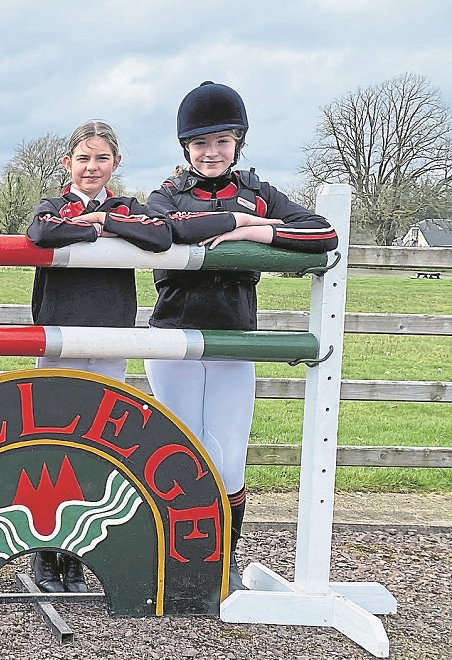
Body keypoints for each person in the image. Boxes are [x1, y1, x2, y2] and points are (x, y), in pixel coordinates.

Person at [143, 81, 338, 596]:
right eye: (200, 143)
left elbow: (322, 233)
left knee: (229, 456)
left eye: (222, 141)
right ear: (185, 147)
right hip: (174, 340)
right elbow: (165, 229)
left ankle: (222, 560)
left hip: (235, 341)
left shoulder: (259, 193)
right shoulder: (166, 193)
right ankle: (174, 554)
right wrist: (235, 219)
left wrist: (254, 230)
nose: (211, 152)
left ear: (239, 143)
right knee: (183, 451)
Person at [24, 120, 172, 594]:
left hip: (111, 340)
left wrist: (104, 221)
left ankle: (81, 551)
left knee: (100, 442)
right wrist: (87, 228)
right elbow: (41, 232)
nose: (92, 167)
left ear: (116, 164)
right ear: (67, 163)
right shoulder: (53, 205)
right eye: (83, 158)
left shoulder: (126, 208)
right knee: (54, 442)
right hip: (60, 337)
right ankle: (46, 554)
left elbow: (158, 237)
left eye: (101, 158)